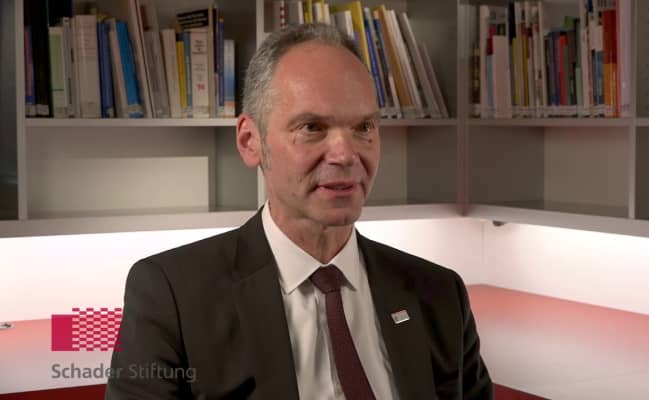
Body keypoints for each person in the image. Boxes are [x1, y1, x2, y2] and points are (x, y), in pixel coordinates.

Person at [106, 23, 492, 400]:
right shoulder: (172, 296)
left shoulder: (440, 294)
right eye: (312, 127)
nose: (345, 155)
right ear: (250, 141)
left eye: (363, 127)